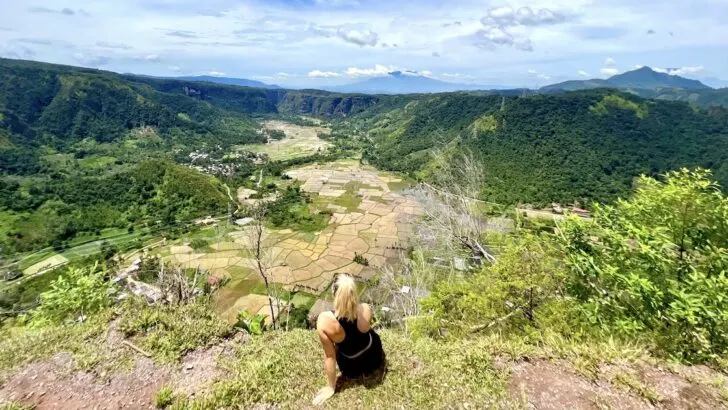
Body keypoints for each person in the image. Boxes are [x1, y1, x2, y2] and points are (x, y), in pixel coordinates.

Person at [313, 274, 385, 405]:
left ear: (334, 293)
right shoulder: (365, 309)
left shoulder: (325, 321)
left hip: (352, 368)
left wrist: (331, 387)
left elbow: (330, 357)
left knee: (340, 344)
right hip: (374, 357)